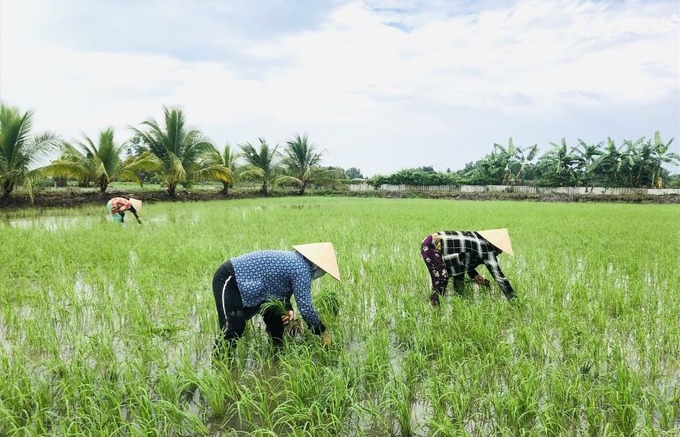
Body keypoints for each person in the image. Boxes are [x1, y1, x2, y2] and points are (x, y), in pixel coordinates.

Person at [212, 242, 340, 357]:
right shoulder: (302, 269)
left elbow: (280, 290)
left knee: (277, 322)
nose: (322, 274)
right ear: (317, 266)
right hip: (230, 278)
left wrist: (288, 309)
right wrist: (322, 331)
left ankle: (277, 357)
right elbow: (306, 307)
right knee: (234, 327)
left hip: (260, 289)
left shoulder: (298, 262)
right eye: (324, 271)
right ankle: (218, 363)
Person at [421, 228, 515, 305]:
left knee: (456, 281)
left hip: (449, 257)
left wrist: (475, 275)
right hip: (431, 246)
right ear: (495, 244)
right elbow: (499, 277)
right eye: (500, 249)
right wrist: (514, 299)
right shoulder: (485, 248)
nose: (500, 253)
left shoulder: (478, 240)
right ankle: (434, 307)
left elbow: (465, 260)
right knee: (442, 278)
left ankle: (456, 303)